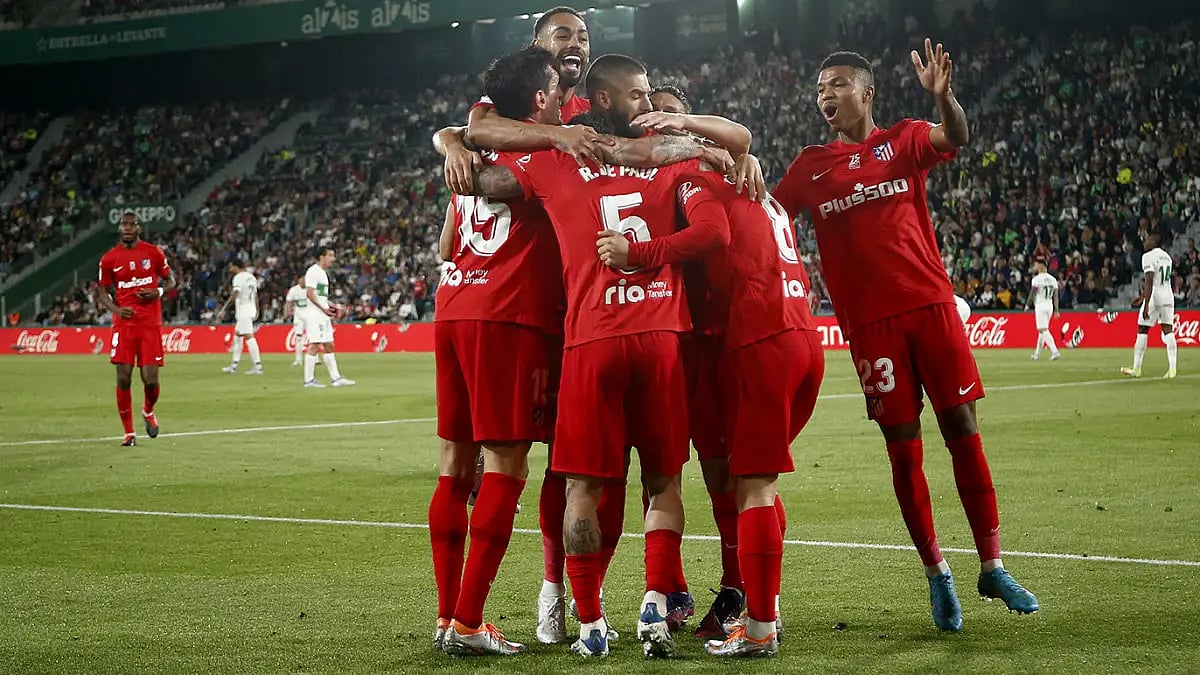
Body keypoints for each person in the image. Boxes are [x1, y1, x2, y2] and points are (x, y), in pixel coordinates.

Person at [772, 43, 1039, 632]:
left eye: (836, 83)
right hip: (870, 326)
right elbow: (767, 214)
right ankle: (937, 573)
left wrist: (945, 98)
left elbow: (956, 136)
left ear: (866, 91)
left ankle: (992, 565)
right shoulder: (810, 167)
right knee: (903, 447)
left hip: (931, 307)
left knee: (963, 429)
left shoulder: (905, 139)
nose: (824, 95)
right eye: (819, 88)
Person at [468, 52, 727, 658]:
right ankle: (656, 604)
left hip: (590, 341)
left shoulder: (556, 161)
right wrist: (705, 148)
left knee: (581, 488)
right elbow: (716, 180)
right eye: (639, 95)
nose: (648, 104)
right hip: (661, 336)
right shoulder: (665, 159)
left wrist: (455, 143)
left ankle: (588, 624)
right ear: (613, 106)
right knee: (663, 482)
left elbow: (484, 181)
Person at [597, 166, 824, 657]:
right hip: (762, 335)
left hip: (744, 340)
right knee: (724, 473)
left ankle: (756, 614)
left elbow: (712, 230)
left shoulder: (695, 179)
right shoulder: (736, 178)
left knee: (748, 481)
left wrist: (637, 252)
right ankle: (734, 598)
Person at [433, 46, 567, 657]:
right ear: (538, 99)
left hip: (453, 306)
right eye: (556, 90)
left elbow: (445, 245)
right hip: (509, 317)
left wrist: (450, 142)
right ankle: (468, 623)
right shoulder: (543, 153)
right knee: (507, 467)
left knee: (455, 466)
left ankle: (447, 616)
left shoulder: (472, 153)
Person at [93, 212, 174, 446]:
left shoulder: (153, 252)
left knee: (150, 380)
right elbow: (102, 291)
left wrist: (158, 292)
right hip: (124, 325)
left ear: (139, 228)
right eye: (124, 224)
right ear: (119, 228)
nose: (127, 228)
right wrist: (116, 309)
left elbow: (171, 280)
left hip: (150, 324)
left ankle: (148, 410)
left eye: (132, 224)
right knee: (123, 377)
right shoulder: (109, 259)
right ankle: (129, 433)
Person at [1122, 233, 1178, 379]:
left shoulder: (1148, 256)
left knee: (1142, 328)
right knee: (1168, 330)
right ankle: (1172, 369)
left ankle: (1136, 368)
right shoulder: (1167, 257)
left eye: (1147, 240)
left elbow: (1149, 279)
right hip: (1168, 295)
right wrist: (1142, 297)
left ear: (1153, 242)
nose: (1145, 242)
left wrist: (1146, 303)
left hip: (1155, 296)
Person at [301, 248, 355, 388]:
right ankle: (309, 380)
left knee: (329, 345)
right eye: (330, 255)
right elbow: (310, 293)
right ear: (321, 257)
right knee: (314, 345)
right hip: (315, 315)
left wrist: (334, 306)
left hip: (323, 314)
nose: (333, 259)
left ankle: (336, 378)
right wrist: (322, 308)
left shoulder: (323, 273)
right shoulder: (313, 271)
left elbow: (321, 297)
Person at [216, 261, 263, 374]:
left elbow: (236, 293)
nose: (230, 269)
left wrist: (224, 308)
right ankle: (234, 366)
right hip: (250, 308)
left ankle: (258, 366)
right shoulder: (251, 277)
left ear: (236, 267)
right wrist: (257, 309)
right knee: (237, 336)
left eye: (231, 266)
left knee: (249, 336)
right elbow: (255, 295)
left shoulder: (238, 278)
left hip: (244, 310)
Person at [1027, 260, 1061, 361]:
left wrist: (1027, 305)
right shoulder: (1053, 279)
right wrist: (1056, 310)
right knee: (1042, 332)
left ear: (1041, 266)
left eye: (1036, 265)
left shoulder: (1036, 279)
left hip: (1040, 305)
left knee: (1043, 330)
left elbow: (1033, 292)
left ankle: (1055, 351)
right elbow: (1055, 296)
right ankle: (1036, 354)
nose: (1034, 266)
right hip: (1049, 306)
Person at [283, 276, 308, 367]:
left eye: (305, 279)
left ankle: (315, 357)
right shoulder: (293, 290)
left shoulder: (310, 289)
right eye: (302, 279)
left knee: (313, 337)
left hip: (310, 316)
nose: (304, 281)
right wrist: (287, 312)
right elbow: (288, 302)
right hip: (299, 317)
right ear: (298, 280)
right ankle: (298, 360)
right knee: (298, 337)